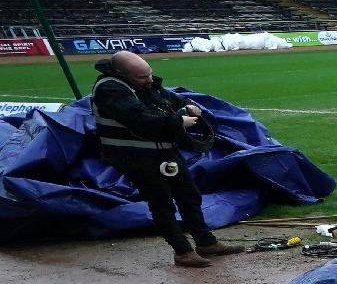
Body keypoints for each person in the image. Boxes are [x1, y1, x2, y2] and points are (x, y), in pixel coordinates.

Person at [90, 50, 242, 268]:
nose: (149, 80)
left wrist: (186, 105)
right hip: (134, 155)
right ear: (121, 73)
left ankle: (206, 242)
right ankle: (182, 251)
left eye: (150, 74)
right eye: (142, 77)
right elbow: (141, 119)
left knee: (189, 195)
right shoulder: (109, 89)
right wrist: (178, 121)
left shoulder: (139, 84)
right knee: (161, 202)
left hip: (163, 152)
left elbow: (166, 98)